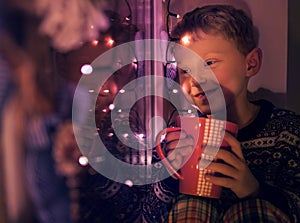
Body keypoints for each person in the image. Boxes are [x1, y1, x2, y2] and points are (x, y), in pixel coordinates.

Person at [159, 4, 300, 223]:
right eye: (184, 70)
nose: (194, 81)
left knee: (253, 210)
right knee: (191, 205)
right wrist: (170, 175)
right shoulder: (178, 135)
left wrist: (253, 189)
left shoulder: (288, 133)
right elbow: (145, 215)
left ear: (251, 64)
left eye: (209, 63)